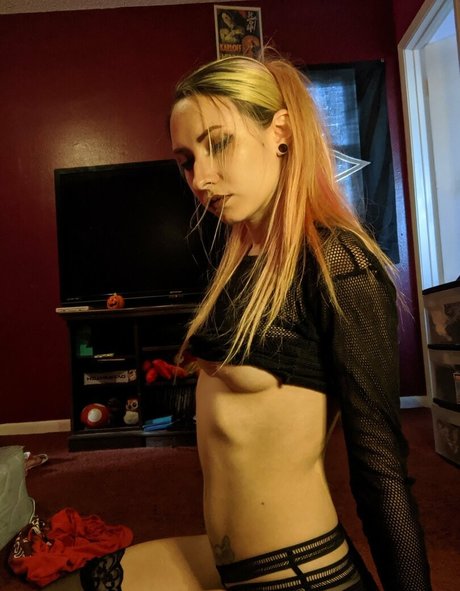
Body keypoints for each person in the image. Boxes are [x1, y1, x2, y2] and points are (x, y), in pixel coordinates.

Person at [121, 51, 432, 591]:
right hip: (231, 561)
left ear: (281, 134)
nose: (200, 178)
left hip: (298, 573)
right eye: (186, 160)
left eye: (219, 143)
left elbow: (380, 470)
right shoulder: (240, 259)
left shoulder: (340, 264)